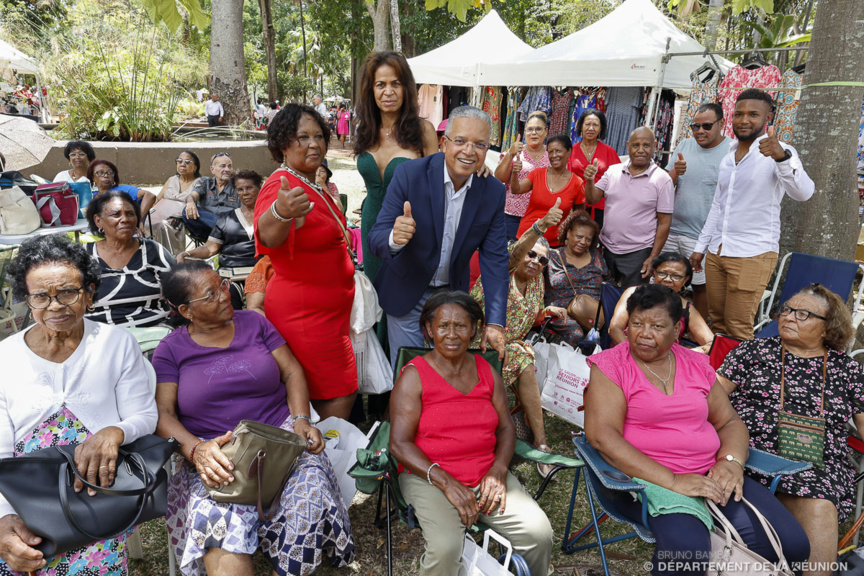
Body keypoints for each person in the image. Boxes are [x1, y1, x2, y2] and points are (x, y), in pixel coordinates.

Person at [584, 284, 810, 575]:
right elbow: (602, 437)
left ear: (678, 328)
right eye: (637, 323)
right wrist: (674, 481)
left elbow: (729, 422)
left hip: (710, 472)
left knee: (792, 546)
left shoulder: (696, 363)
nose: (643, 333)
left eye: (657, 326)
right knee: (687, 557)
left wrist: (731, 463)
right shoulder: (612, 364)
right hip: (644, 481)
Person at [152, 262, 354, 576]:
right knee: (214, 518)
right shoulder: (171, 350)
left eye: (222, 285)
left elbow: (291, 371)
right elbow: (163, 414)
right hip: (217, 452)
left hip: (279, 440)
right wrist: (196, 450)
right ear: (185, 310)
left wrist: (301, 419)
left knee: (310, 492)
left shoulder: (255, 324)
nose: (224, 295)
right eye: (211, 294)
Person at [0, 235, 157, 575]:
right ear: (28, 300)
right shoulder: (4, 357)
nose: (54, 306)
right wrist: (3, 518)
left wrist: (114, 431)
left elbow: (144, 416)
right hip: (22, 495)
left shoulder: (116, 343)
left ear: (89, 292)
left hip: (97, 493)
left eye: (68, 293)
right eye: (41, 296)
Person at [389, 291, 553, 576]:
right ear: (429, 329)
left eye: (461, 326)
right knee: (445, 549)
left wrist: (499, 470)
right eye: (443, 326)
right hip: (429, 476)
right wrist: (447, 483)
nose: (452, 334)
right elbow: (399, 444)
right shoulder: (413, 376)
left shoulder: (487, 371)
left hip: (485, 471)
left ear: (474, 329)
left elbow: (505, 427)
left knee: (538, 535)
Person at [717, 284, 864, 576]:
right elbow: (711, 398)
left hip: (815, 465)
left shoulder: (848, 370)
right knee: (812, 501)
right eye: (786, 310)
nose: (788, 317)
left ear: (827, 328)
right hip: (748, 452)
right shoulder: (754, 350)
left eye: (802, 314)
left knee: (819, 501)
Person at [368, 106, 509, 365]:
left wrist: (496, 323)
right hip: (405, 288)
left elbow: (496, 259)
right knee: (408, 369)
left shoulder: (493, 192)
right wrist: (394, 238)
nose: (469, 151)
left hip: (451, 294)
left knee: (446, 369)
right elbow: (376, 238)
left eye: (479, 144)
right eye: (461, 141)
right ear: (444, 143)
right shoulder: (410, 175)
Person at [254, 103, 358, 421]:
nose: (314, 144)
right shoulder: (281, 184)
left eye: (319, 136)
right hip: (305, 317)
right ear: (283, 144)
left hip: (327, 317)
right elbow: (267, 235)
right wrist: (280, 212)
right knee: (339, 391)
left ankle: (321, 457)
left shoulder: (312, 181)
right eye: (302, 137)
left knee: (329, 395)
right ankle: (320, 459)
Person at [690, 89, 815, 340]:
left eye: (753, 114)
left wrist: (781, 158)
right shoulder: (728, 156)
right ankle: (718, 376)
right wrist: (701, 246)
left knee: (737, 326)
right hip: (717, 251)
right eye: (739, 114)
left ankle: (741, 379)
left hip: (752, 253)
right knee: (718, 323)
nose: (744, 120)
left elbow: (804, 193)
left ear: (768, 117)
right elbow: (718, 206)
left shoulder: (780, 152)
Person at [471, 204, 567, 478]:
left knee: (523, 355)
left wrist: (544, 313)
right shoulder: (502, 272)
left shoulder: (537, 282)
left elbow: (525, 313)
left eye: (543, 259)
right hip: (478, 350)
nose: (536, 261)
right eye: (531, 254)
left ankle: (535, 439)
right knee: (524, 359)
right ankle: (541, 443)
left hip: (508, 351)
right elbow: (514, 254)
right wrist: (539, 227)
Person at [354, 51, 439, 286]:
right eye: (380, 84)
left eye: (396, 84)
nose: (388, 91)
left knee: (403, 300)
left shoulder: (424, 130)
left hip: (410, 227)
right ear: (371, 90)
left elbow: (441, 184)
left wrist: (476, 167)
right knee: (376, 293)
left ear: (406, 89)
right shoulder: (365, 130)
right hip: (371, 224)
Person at [663, 103, 731, 320]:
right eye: (695, 126)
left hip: (702, 236)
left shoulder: (732, 150)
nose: (700, 131)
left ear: (721, 123)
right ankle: (663, 322)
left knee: (700, 287)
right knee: (664, 280)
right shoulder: (685, 144)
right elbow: (664, 186)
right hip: (671, 230)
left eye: (707, 126)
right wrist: (675, 172)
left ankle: (699, 333)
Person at [584, 127, 673, 288]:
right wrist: (590, 180)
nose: (640, 150)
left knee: (632, 299)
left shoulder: (662, 179)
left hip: (638, 253)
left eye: (646, 145)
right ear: (628, 146)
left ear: (654, 146)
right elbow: (591, 199)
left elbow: (664, 222)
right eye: (636, 145)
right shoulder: (613, 171)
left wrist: (653, 257)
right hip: (607, 248)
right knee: (603, 295)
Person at [84, 191, 175, 327]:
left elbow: (181, 291)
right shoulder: (83, 256)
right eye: (116, 214)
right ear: (98, 221)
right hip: (100, 335)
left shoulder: (154, 251)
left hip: (154, 332)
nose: (125, 219)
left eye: (130, 214)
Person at [178, 170, 261, 310]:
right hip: (230, 275)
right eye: (240, 189)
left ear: (259, 187)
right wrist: (186, 254)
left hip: (260, 274)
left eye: (249, 188)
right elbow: (210, 248)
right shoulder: (226, 218)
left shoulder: (270, 215)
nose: (245, 192)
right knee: (220, 306)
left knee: (258, 311)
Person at [608, 252, 715, 350]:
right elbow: (614, 328)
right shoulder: (633, 293)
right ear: (654, 272)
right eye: (662, 273)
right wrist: (634, 355)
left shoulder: (686, 308)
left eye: (676, 276)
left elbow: (711, 343)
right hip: (626, 353)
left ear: (685, 279)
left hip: (665, 364)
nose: (668, 279)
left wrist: (685, 356)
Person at [544, 210, 609, 347]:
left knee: (613, 329)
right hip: (561, 314)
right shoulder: (552, 256)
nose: (583, 242)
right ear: (568, 233)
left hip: (592, 316)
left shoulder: (597, 258)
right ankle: (569, 368)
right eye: (579, 236)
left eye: (588, 239)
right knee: (575, 333)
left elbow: (609, 283)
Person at [511, 134, 585, 246]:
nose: (554, 155)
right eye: (550, 152)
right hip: (526, 238)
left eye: (558, 151)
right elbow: (516, 189)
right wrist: (514, 172)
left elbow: (578, 216)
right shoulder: (537, 174)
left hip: (554, 244)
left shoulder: (577, 183)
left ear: (569, 152)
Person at [494, 111, 551, 241]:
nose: (534, 133)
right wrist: (510, 154)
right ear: (525, 132)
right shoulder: (515, 152)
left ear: (546, 131)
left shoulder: (552, 154)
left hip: (542, 215)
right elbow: (499, 178)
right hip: (513, 216)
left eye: (538, 129)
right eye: (530, 129)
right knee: (512, 254)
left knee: (536, 256)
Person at [567, 108, 621, 229]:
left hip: (601, 207)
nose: (591, 128)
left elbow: (618, 180)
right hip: (576, 205)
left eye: (595, 125)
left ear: (601, 128)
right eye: (587, 124)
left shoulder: (609, 151)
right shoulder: (571, 150)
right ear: (581, 126)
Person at [149, 151, 202, 254]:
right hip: (156, 216)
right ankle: (150, 255)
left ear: (195, 167)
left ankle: (168, 257)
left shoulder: (200, 182)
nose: (182, 164)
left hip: (179, 219)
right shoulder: (171, 179)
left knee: (163, 225)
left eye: (187, 162)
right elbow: (157, 199)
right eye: (179, 161)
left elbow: (201, 204)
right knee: (144, 221)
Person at [182, 152, 239, 240]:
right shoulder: (205, 182)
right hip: (208, 231)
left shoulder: (238, 186)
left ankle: (223, 230)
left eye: (230, 166)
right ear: (212, 169)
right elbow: (192, 195)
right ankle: (223, 229)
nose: (227, 169)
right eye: (222, 166)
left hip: (231, 226)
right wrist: (190, 202)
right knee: (186, 211)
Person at [87, 159, 157, 221]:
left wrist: (139, 219)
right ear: (92, 177)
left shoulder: (122, 189)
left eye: (110, 172)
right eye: (101, 173)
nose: (106, 176)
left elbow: (150, 195)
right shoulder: (91, 194)